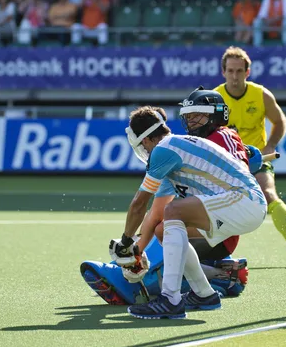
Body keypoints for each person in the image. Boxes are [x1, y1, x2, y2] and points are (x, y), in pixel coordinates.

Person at [81, 88, 258, 306]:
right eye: (189, 116)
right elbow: (153, 213)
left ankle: (169, 298)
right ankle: (205, 292)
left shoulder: (166, 150)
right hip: (230, 208)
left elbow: (139, 204)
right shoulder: (176, 152)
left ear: (146, 140)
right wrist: (136, 250)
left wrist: (127, 243)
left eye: (197, 116)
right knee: (164, 227)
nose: (191, 121)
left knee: (171, 216)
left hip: (241, 203)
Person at [214, 46, 286, 267]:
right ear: (223, 72)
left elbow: (279, 121)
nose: (235, 76)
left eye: (239, 71)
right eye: (230, 71)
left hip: (256, 160)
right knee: (212, 203)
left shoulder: (260, 94)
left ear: (247, 72)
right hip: (226, 163)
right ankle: (212, 255)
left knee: (268, 194)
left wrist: (271, 145)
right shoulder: (215, 97)